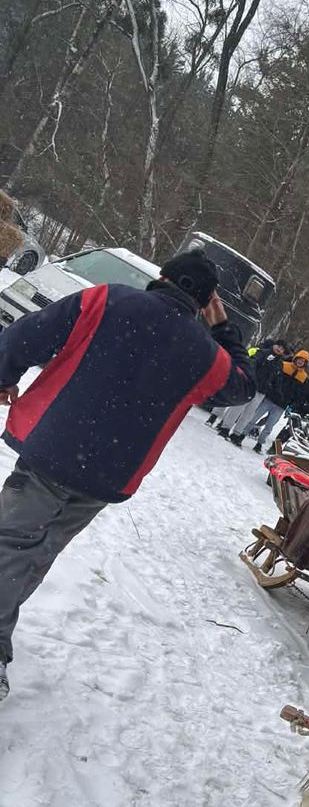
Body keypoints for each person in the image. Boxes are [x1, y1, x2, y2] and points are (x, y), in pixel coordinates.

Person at [0, 249, 254, 700]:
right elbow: (241, 385)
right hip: (107, 476)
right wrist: (221, 327)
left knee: (12, 546)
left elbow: (23, 338)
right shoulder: (203, 353)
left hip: (51, 447)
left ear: (162, 276)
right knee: (39, 551)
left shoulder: (105, 300)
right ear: (206, 301)